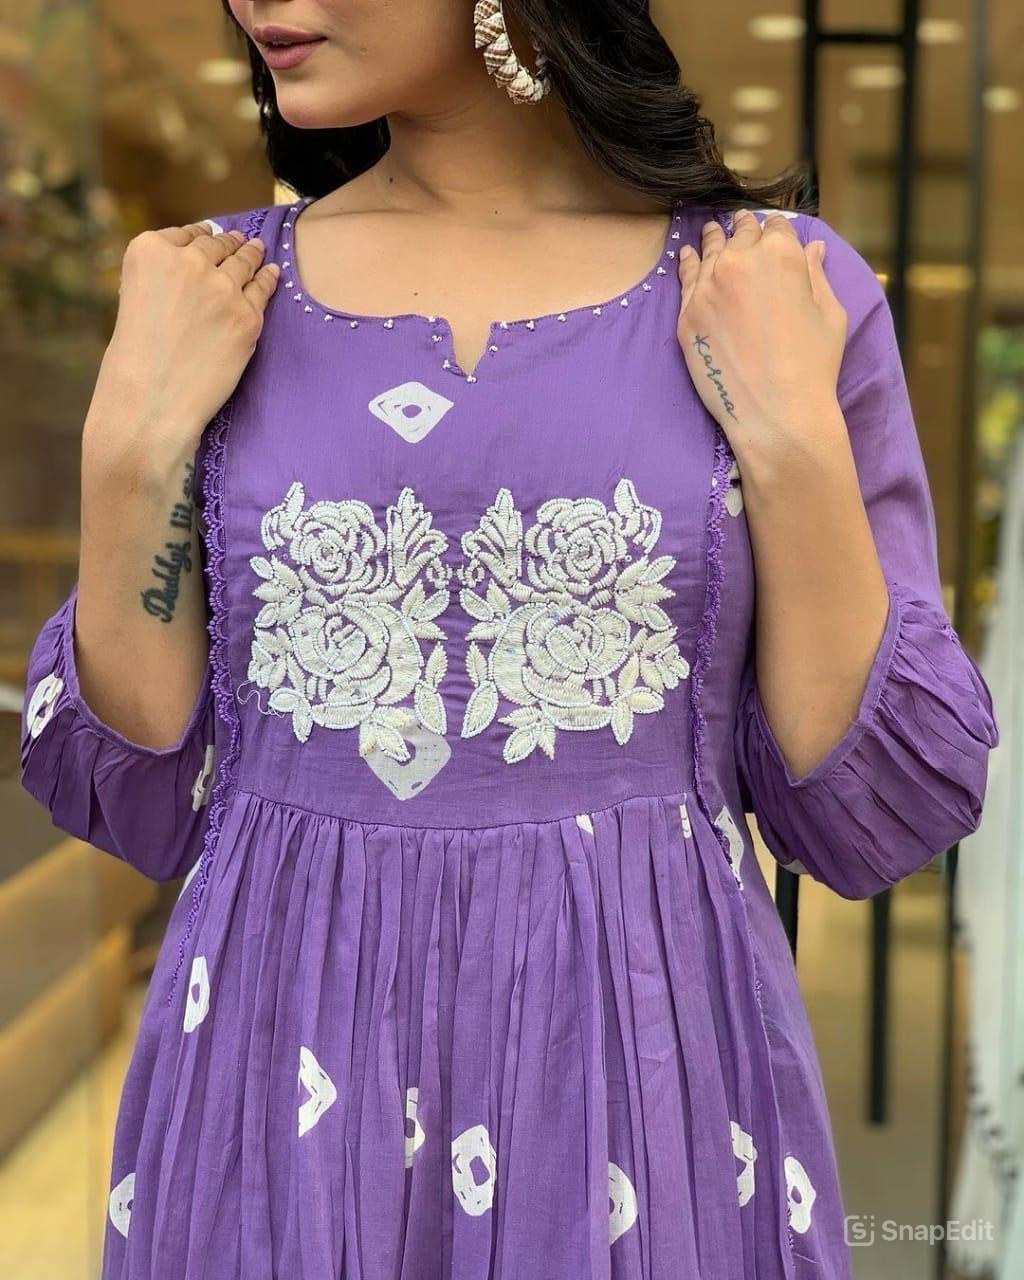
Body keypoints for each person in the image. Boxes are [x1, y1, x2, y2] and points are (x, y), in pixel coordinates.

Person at [20, 2, 999, 1277]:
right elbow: (133, 788)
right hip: (277, 1056)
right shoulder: (213, 291)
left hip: (637, 1063)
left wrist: (792, 438)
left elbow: (866, 806)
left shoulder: (770, 285)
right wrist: (131, 445)